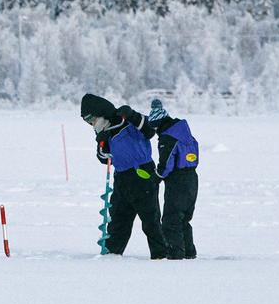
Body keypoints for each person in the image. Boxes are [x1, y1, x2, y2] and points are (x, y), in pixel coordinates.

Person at [81, 92, 166, 259]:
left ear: (101, 113)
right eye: (88, 122)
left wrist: (133, 115)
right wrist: (101, 143)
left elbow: (149, 130)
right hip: (121, 178)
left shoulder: (126, 121)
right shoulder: (105, 132)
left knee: (150, 219)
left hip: (142, 174)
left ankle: (161, 255)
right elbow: (104, 159)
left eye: (92, 119)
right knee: (118, 219)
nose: (92, 124)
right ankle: (112, 254)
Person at [145, 98, 199, 260]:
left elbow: (166, 165)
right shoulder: (185, 133)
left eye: (154, 128)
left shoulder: (168, 137)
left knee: (170, 219)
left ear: (159, 124)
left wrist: (156, 178)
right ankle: (189, 251)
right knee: (184, 219)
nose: (155, 132)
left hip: (178, 181)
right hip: (192, 178)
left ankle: (175, 253)